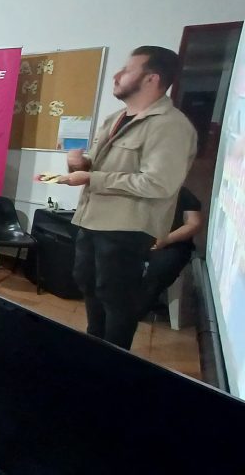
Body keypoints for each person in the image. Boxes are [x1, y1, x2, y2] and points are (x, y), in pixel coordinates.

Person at [58, 46, 197, 349]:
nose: (117, 76)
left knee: (116, 297)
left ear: (152, 79)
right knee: (89, 286)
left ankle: (114, 362)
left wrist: (92, 177)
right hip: (92, 219)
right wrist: (79, 164)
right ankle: (95, 348)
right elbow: (93, 163)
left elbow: (159, 183)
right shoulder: (116, 118)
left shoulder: (170, 125)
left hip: (126, 227)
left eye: (127, 70)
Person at [141, 186, 203, 317]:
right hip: (139, 240)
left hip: (173, 244)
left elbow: (194, 224)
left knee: (162, 267)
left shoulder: (183, 193)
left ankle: (140, 307)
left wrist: (166, 239)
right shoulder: (137, 186)